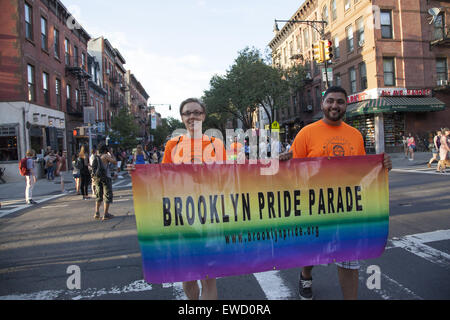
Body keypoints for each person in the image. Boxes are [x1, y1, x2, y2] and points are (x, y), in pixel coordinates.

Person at [280, 86, 392, 300]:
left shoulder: (355, 135)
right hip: (312, 206)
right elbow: (292, 171)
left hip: (346, 208)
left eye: (340, 102)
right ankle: (305, 275)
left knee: (349, 259)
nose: (334, 105)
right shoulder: (307, 133)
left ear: (345, 105)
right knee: (311, 252)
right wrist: (284, 162)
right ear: (323, 104)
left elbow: (361, 173)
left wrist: (382, 165)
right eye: (330, 101)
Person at [92, 143, 117, 221]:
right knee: (107, 195)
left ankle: (96, 212)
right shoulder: (106, 156)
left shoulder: (96, 156)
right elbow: (115, 162)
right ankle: (105, 214)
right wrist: (111, 153)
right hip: (106, 177)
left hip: (97, 178)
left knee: (98, 195)